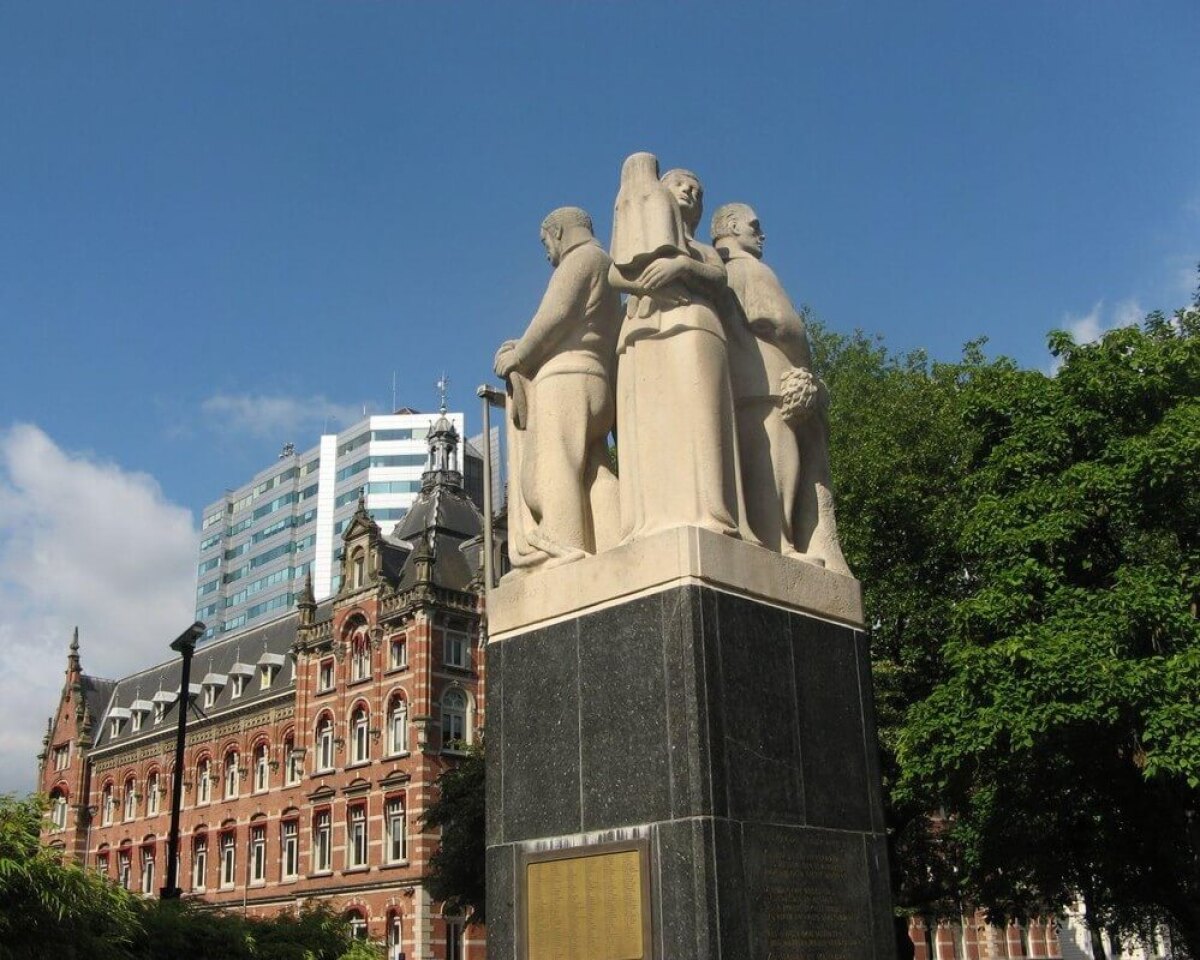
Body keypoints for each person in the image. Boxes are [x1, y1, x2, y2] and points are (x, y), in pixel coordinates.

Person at [608, 154, 749, 542]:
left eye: (697, 191)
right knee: (647, 426)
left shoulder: (703, 251)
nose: (689, 192)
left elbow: (718, 278)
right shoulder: (639, 234)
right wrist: (642, 283)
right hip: (642, 330)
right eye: (680, 185)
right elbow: (613, 273)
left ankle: (709, 512)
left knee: (699, 417)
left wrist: (680, 267)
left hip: (694, 327)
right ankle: (646, 522)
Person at [712, 202, 850, 574]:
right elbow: (781, 322)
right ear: (731, 225)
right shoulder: (750, 269)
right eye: (754, 226)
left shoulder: (718, 274)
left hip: (741, 383)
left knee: (757, 462)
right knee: (778, 461)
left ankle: (776, 539)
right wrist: (805, 365)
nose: (761, 234)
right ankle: (782, 543)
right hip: (768, 379)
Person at [494, 206, 621, 570]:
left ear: (559, 233)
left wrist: (519, 353)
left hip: (564, 381)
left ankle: (566, 545)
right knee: (595, 470)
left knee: (557, 465)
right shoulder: (607, 266)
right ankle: (611, 540)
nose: (546, 252)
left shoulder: (580, 261)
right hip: (598, 384)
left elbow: (554, 314)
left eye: (545, 242)